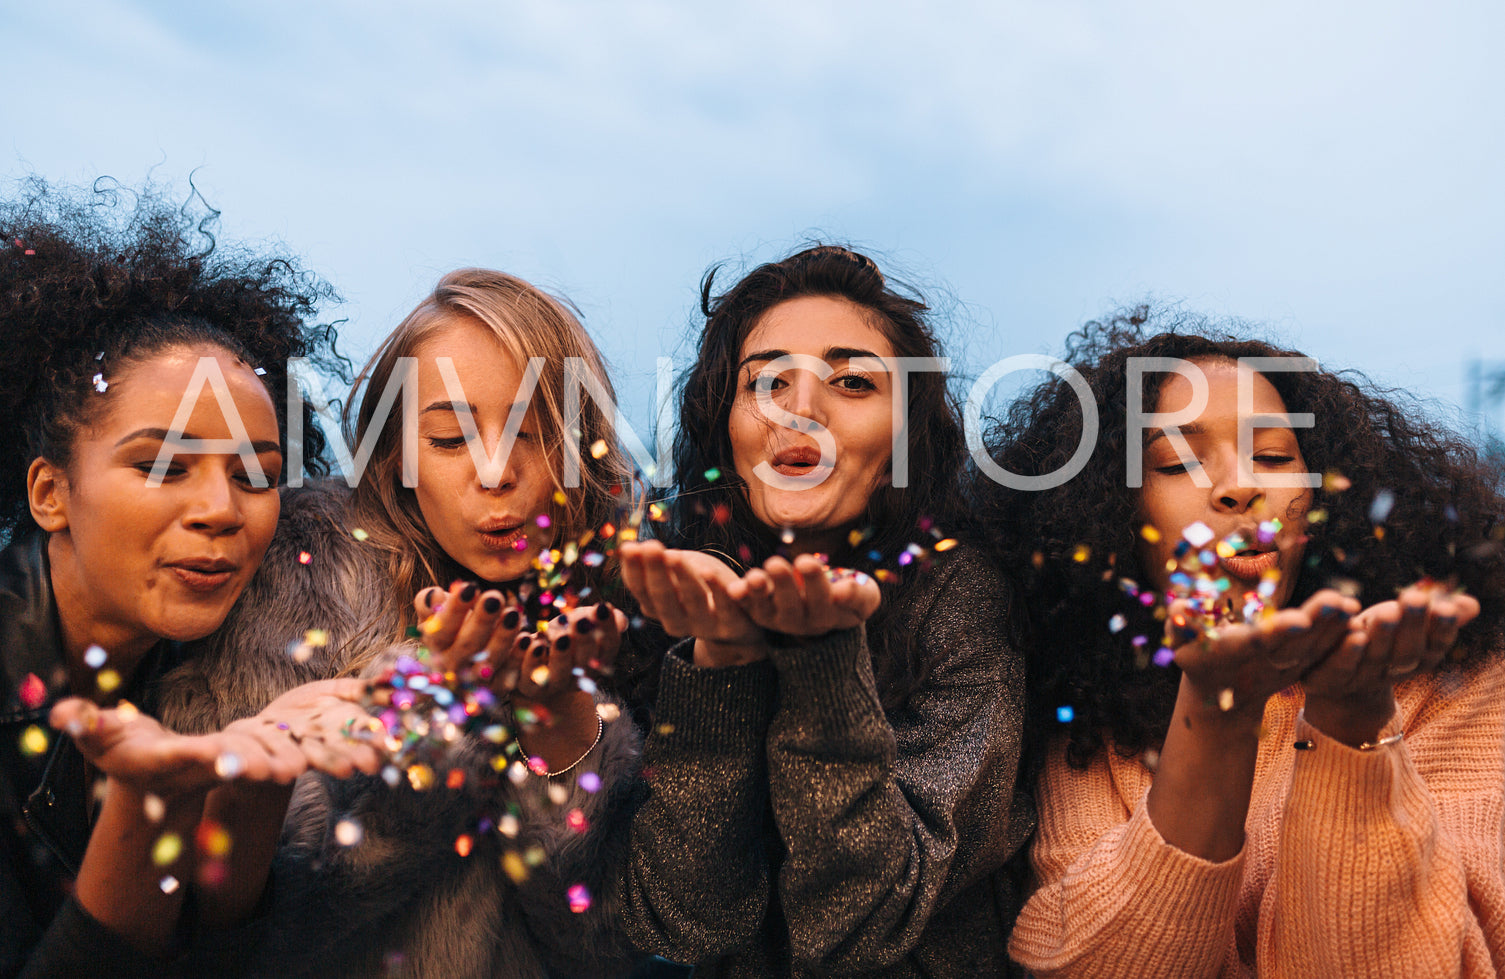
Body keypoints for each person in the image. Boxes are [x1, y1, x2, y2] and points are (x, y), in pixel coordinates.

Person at [157, 268, 651, 977]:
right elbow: (247, 925)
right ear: (396, 457)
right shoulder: (297, 586)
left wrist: (560, 721)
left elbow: (604, 950)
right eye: (450, 438)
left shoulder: (622, 604)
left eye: (535, 434)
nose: (495, 470)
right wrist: (440, 710)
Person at [980, 312, 1505, 977]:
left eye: (1274, 455)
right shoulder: (1088, 724)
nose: (1237, 485)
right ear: (1112, 512)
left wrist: (1350, 720)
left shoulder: (1446, 670)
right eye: (1176, 460)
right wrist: (1214, 713)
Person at [0, 181, 381, 979]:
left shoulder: (227, 669)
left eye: (256, 475)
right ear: (49, 492)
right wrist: (147, 806)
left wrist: (252, 799)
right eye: (162, 464)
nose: (220, 509)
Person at [618, 245, 1032, 976]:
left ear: (907, 434)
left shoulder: (961, 597)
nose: (799, 409)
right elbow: (685, 921)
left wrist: (824, 663)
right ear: (724, 426)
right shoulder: (673, 590)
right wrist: (721, 663)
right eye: (767, 380)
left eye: (850, 381)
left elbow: (859, 927)